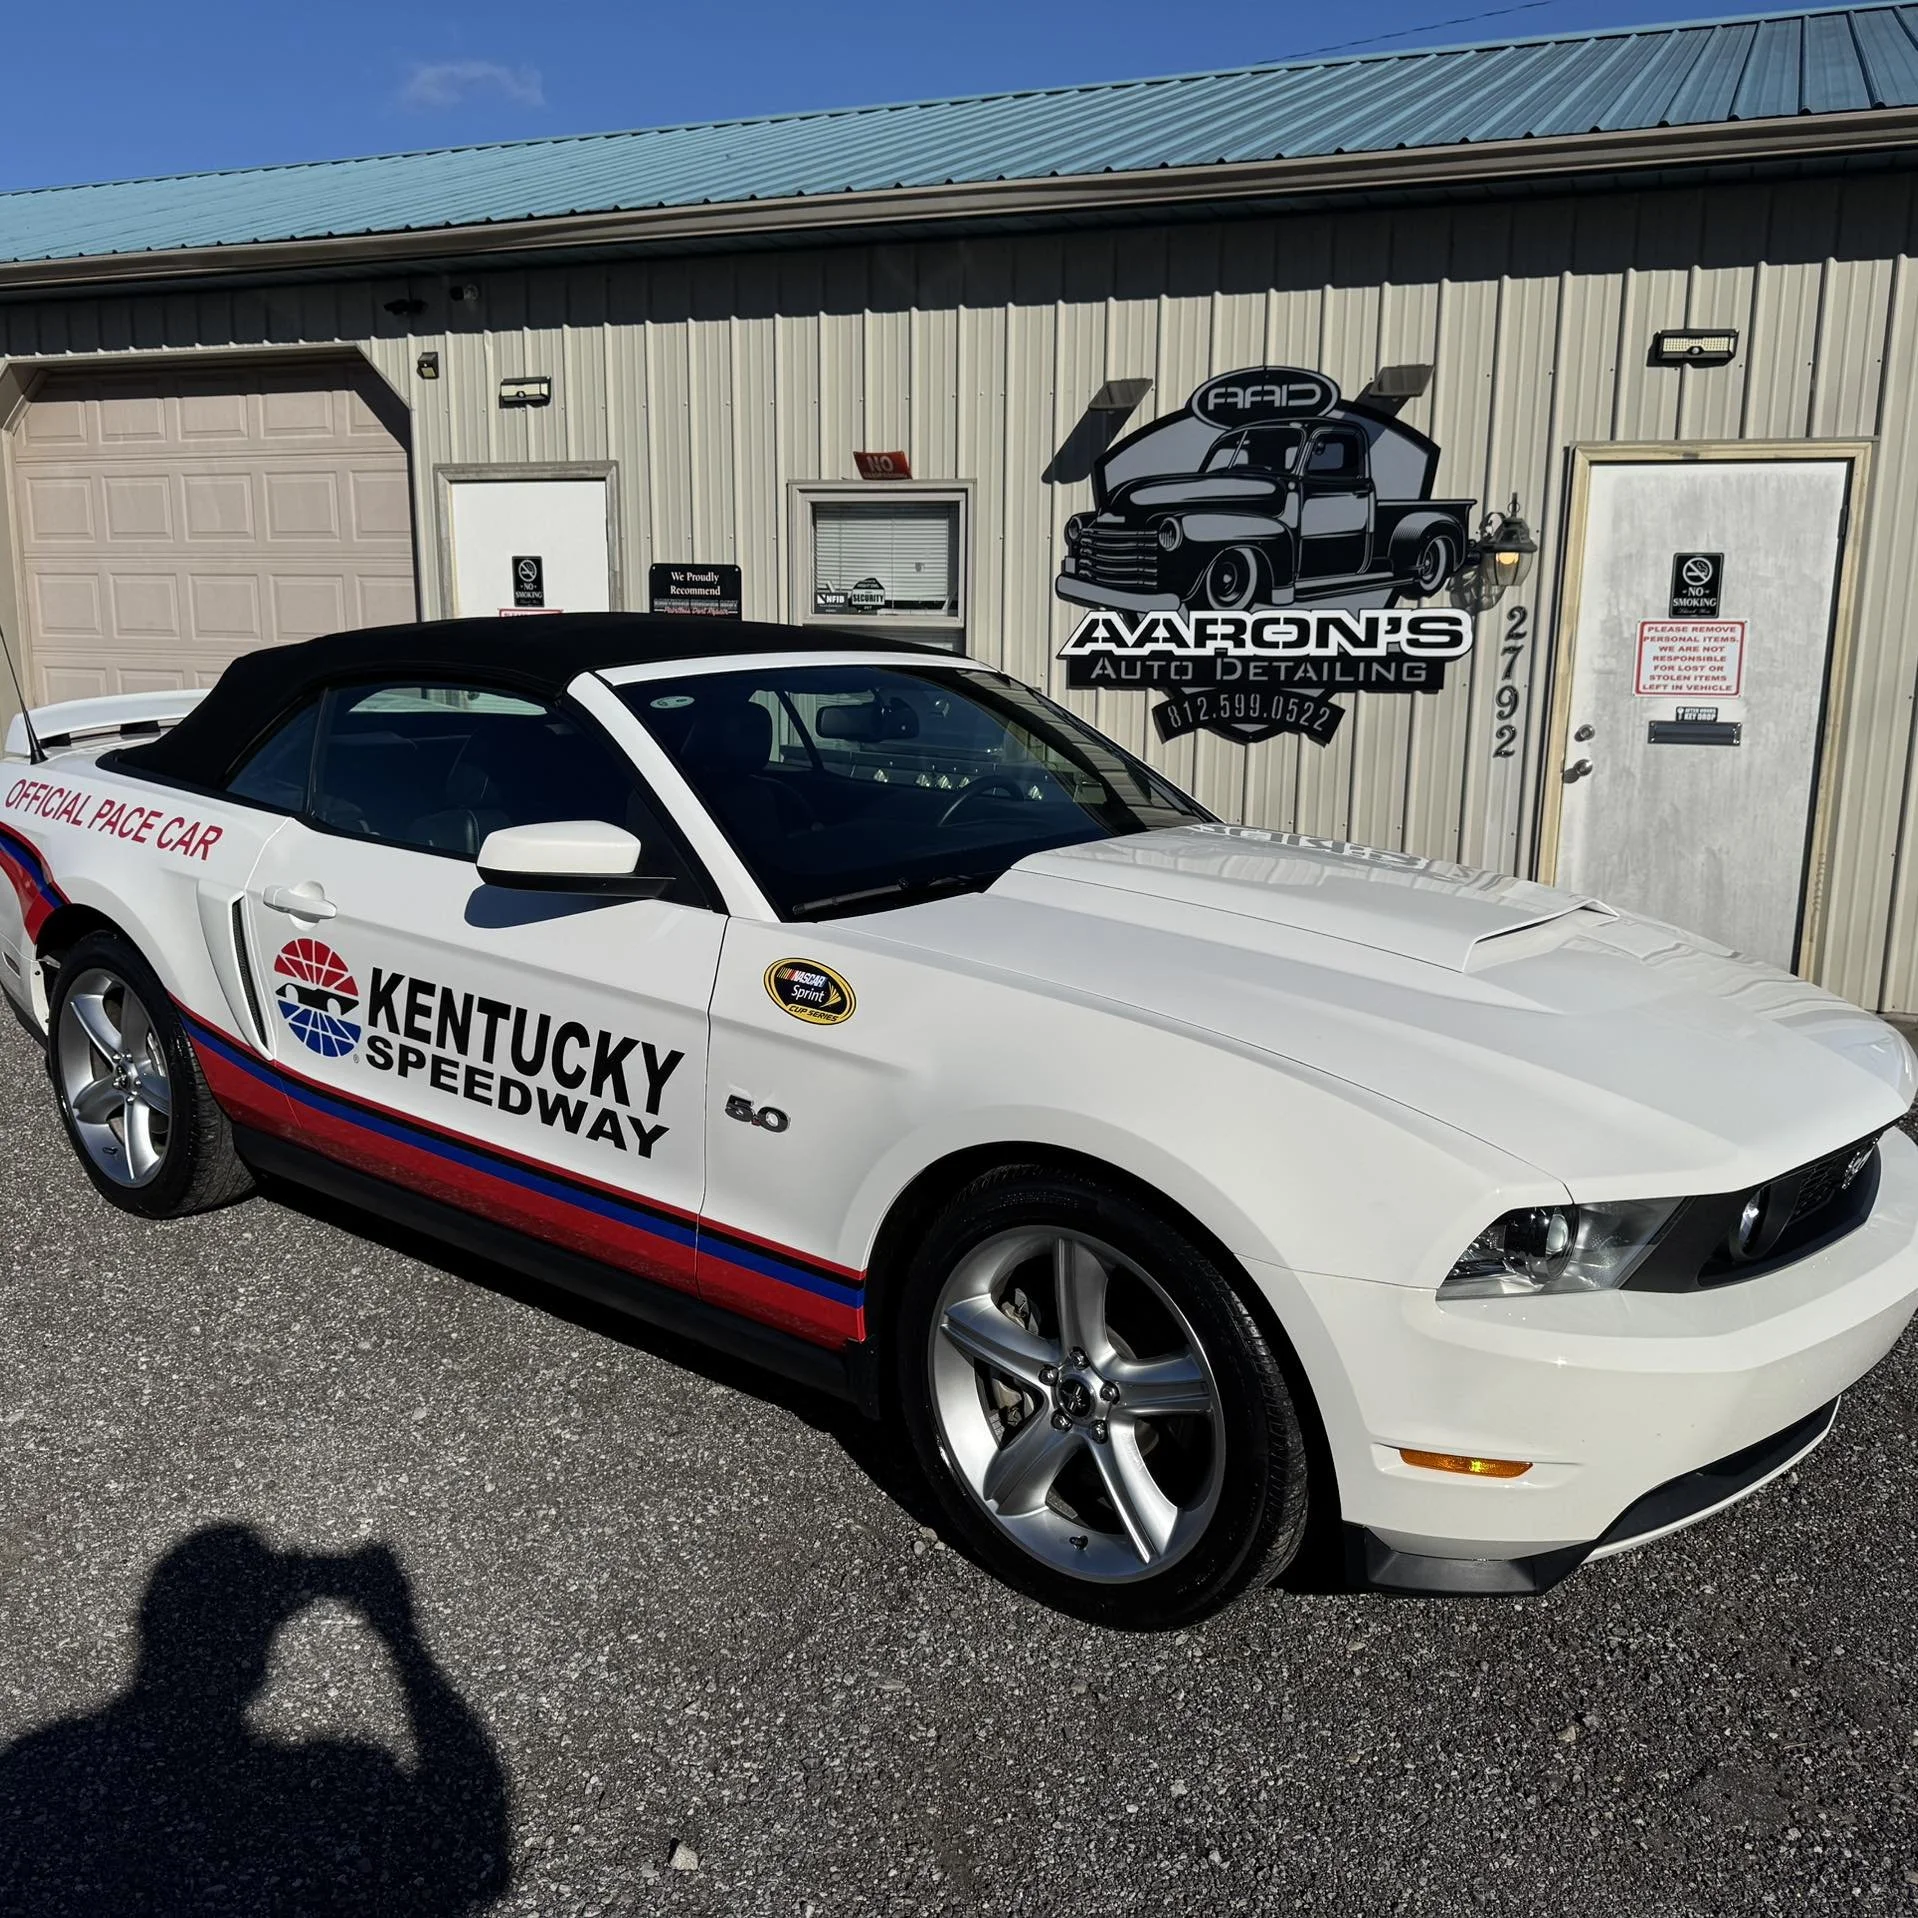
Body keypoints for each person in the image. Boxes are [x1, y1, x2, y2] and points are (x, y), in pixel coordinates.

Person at [0, 1525, 510, 1915]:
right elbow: (470, 1847)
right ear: (255, 1654)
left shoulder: (26, 1774)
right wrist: (400, 1637)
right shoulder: (337, 1783)